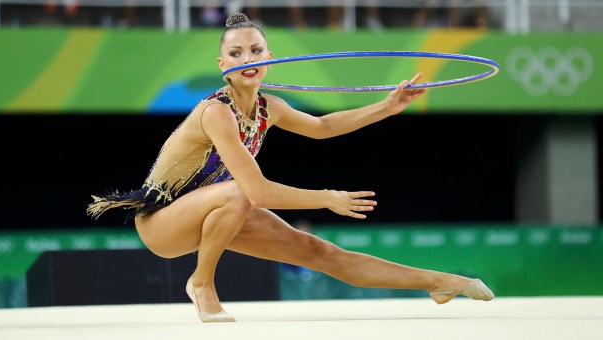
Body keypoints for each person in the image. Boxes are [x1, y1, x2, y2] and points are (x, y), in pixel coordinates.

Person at [87, 12, 494, 323]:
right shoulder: (216, 112)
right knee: (239, 192)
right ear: (222, 63)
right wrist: (326, 199)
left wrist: (387, 106)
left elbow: (323, 126)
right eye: (236, 53)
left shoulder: (269, 107)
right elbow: (258, 191)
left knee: (318, 251)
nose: (247, 58)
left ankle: (438, 282)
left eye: (255, 51)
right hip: (163, 223)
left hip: (220, 211)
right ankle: (202, 282)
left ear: (269, 57)